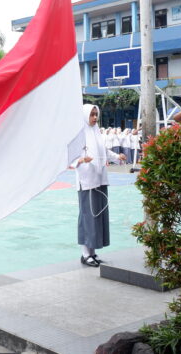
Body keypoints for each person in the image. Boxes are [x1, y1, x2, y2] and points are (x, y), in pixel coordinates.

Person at [72, 104, 126, 267]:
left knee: (98, 216)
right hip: (87, 181)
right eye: (92, 115)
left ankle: (93, 252)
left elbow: (105, 151)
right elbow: (70, 155)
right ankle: (85, 254)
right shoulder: (79, 135)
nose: (95, 118)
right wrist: (80, 160)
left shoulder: (97, 133)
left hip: (100, 179)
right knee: (88, 217)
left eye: (96, 114)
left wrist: (118, 156)